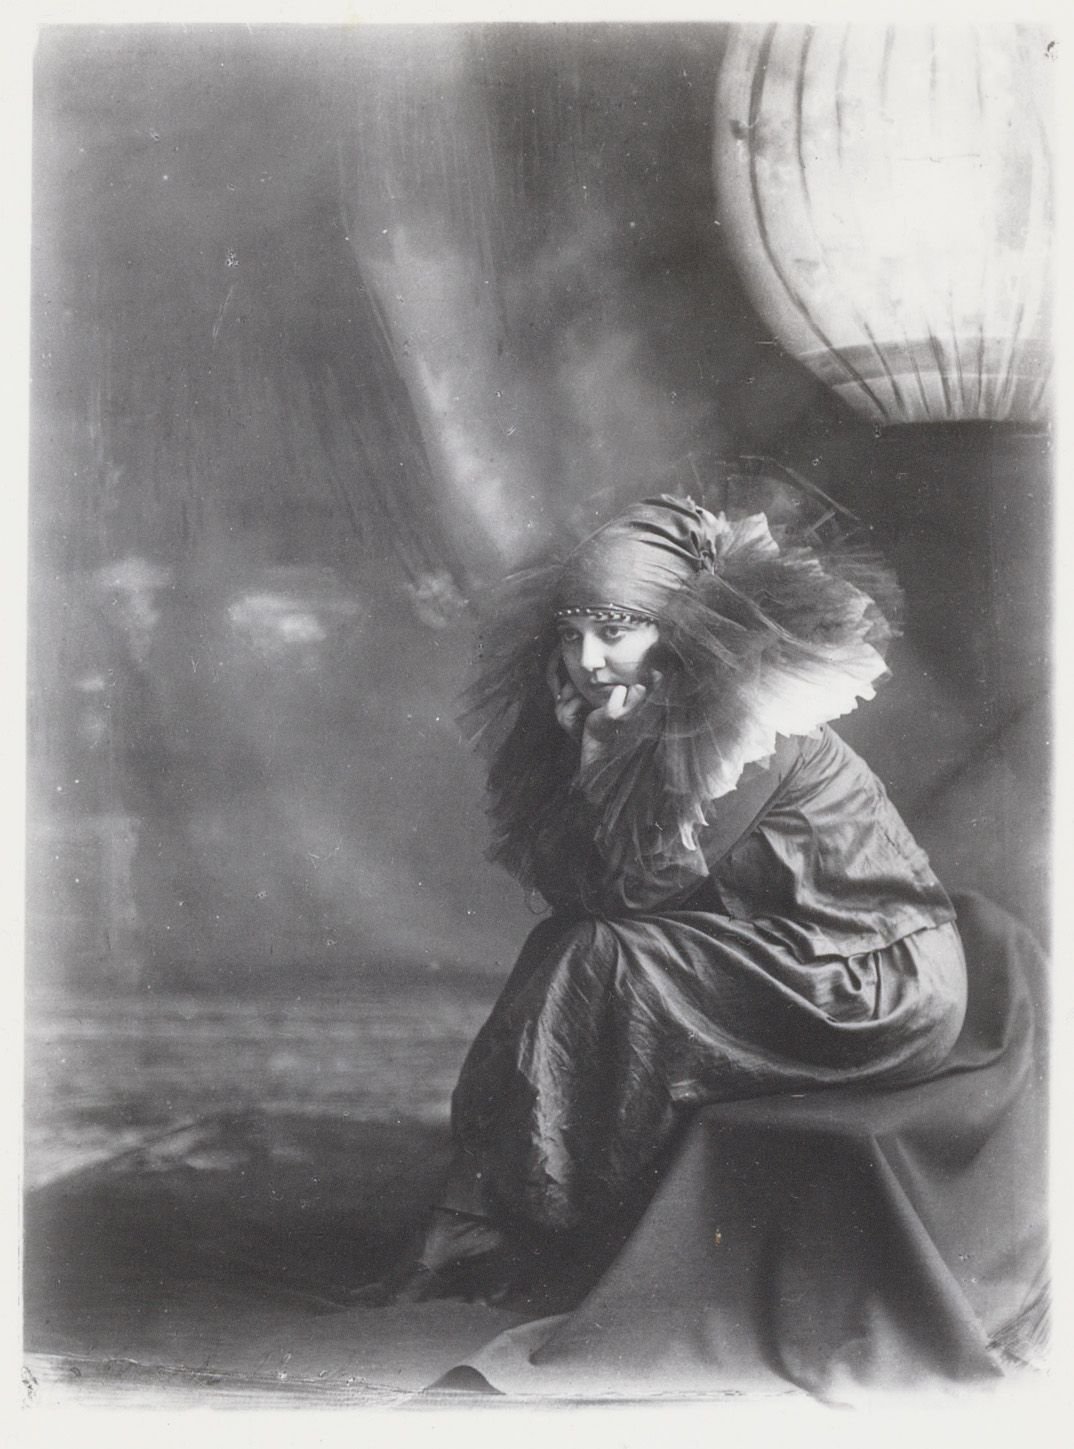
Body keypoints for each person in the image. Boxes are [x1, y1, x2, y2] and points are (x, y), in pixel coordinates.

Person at [370, 494, 968, 1306]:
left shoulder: (754, 732)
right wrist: (598, 755)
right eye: (572, 635)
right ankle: (486, 1205)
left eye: (614, 631)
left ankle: (507, 1212)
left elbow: (634, 897)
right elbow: (576, 891)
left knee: (598, 953)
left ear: (675, 631)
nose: (588, 660)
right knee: (567, 944)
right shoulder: (654, 716)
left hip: (871, 981)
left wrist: (597, 757)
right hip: (790, 952)